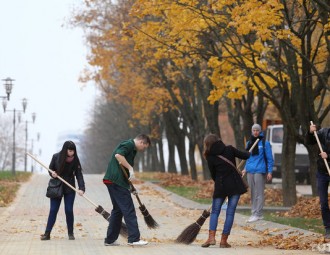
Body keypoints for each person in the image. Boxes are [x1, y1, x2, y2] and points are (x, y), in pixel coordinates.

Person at [202, 134, 250, 248]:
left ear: (208, 144)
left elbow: (213, 174)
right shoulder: (229, 149)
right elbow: (246, 155)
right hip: (234, 185)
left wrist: (219, 180)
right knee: (230, 212)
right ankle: (223, 241)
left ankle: (211, 238)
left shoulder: (209, 156)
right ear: (218, 141)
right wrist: (251, 149)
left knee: (215, 212)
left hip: (220, 186)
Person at [103, 134, 151, 246]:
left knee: (117, 210)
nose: (143, 149)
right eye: (144, 147)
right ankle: (134, 239)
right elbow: (118, 155)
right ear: (141, 142)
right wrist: (130, 168)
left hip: (112, 181)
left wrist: (130, 188)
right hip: (116, 181)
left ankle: (109, 240)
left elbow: (121, 168)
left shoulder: (131, 148)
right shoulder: (129, 144)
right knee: (129, 210)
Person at [41, 140, 85, 241]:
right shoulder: (56, 157)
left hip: (70, 187)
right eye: (70, 151)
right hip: (57, 186)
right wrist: (53, 173)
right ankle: (47, 233)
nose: (71, 153)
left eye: (73, 151)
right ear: (65, 150)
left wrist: (81, 188)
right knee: (53, 210)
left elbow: (79, 175)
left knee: (69, 210)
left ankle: (70, 233)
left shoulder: (75, 160)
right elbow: (50, 169)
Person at [242, 123, 273, 223]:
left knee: (259, 193)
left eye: (257, 130)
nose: (255, 132)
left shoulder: (265, 143)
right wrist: (245, 168)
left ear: (260, 131)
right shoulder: (249, 143)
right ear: (252, 131)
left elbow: (270, 159)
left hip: (260, 170)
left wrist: (270, 171)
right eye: (254, 130)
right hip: (250, 170)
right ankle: (254, 212)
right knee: (252, 192)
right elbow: (248, 158)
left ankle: (258, 214)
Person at [305, 123, 330, 241]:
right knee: (324, 202)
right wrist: (310, 132)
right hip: (322, 172)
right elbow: (310, 141)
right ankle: (328, 228)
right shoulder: (324, 132)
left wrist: (328, 156)